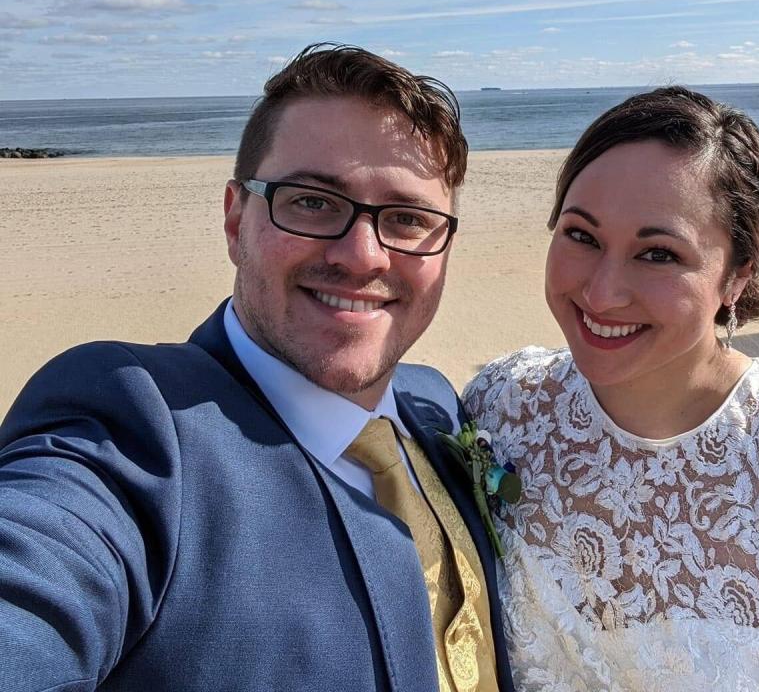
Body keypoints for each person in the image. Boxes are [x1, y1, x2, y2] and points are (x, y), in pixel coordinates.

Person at [0, 44, 513, 692]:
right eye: (312, 202)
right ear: (236, 217)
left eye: (408, 219)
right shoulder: (135, 427)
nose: (363, 256)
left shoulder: (436, 403)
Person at [463, 86, 759, 691]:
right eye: (582, 236)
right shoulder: (500, 409)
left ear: (738, 273)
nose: (603, 292)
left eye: (658, 254)